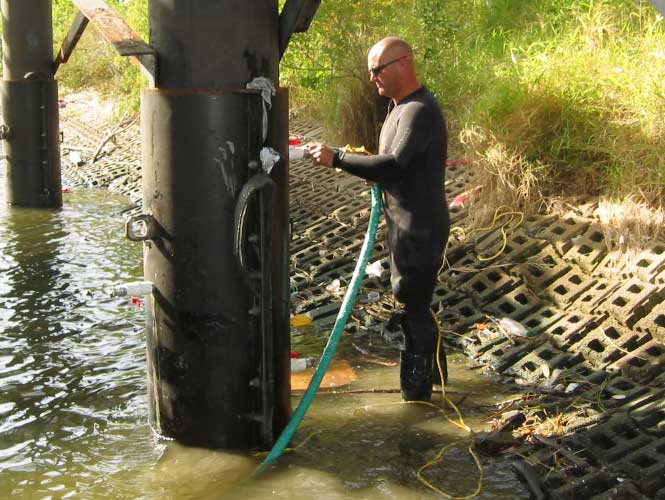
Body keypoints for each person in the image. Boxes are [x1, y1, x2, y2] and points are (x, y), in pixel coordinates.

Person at [307, 36, 450, 401]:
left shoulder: (419, 110)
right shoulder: (398, 108)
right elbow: (390, 164)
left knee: (411, 300)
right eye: (371, 72)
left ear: (404, 62)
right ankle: (436, 380)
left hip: (420, 225)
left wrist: (337, 158)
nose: (373, 79)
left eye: (378, 70)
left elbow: (393, 164)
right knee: (414, 300)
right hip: (404, 222)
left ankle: (417, 396)